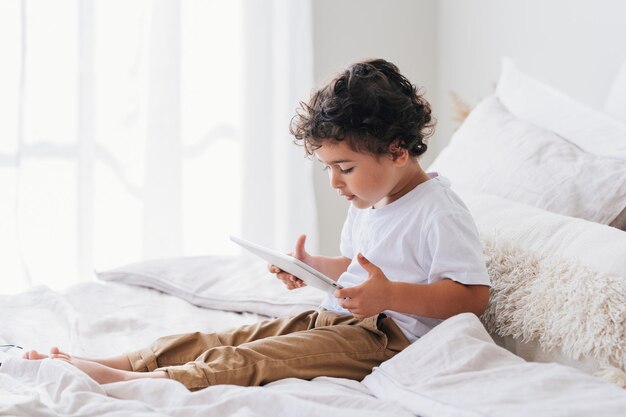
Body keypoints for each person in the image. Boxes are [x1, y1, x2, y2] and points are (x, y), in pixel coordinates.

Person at [23, 58, 491, 390]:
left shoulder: (438, 210)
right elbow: (359, 266)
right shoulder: (369, 202)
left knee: (255, 357)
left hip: (389, 338)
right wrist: (312, 267)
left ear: (397, 150)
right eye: (327, 168)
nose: (334, 182)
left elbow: (472, 296)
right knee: (225, 337)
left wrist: (390, 297)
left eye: (344, 168)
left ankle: (140, 382)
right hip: (345, 316)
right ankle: (121, 360)